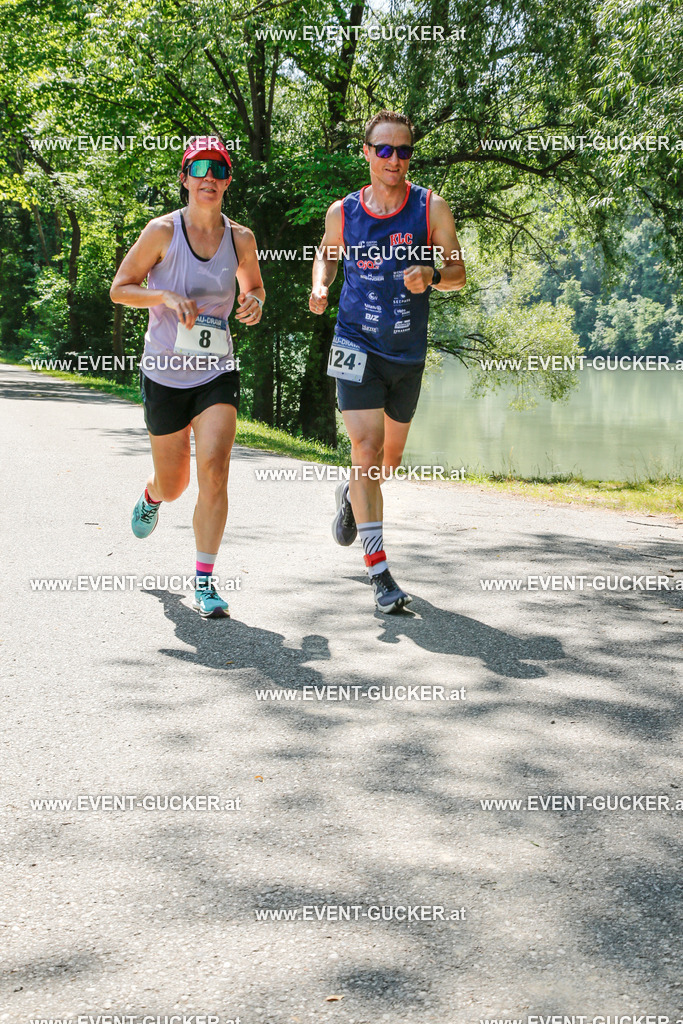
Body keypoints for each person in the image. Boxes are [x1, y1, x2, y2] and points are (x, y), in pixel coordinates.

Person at [310, 110, 466, 613]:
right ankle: (379, 572)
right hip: (354, 342)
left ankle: (350, 495)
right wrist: (320, 284)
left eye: (403, 151)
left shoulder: (430, 208)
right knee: (366, 446)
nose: (394, 159)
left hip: (406, 352)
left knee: (387, 462)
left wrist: (434, 277)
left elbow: (459, 271)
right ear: (367, 153)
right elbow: (326, 254)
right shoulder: (344, 211)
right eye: (384, 149)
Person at [110, 135, 265, 618]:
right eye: (199, 170)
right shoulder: (161, 232)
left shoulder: (241, 239)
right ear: (185, 179)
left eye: (218, 171)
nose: (209, 179)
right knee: (175, 484)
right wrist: (164, 298)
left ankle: (204, 581)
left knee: (215, 471)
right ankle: (153, 494)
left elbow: (255, 285)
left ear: (227, 181)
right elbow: (120, 289)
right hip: (164, 370)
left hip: (216, 370)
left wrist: (254, 302)